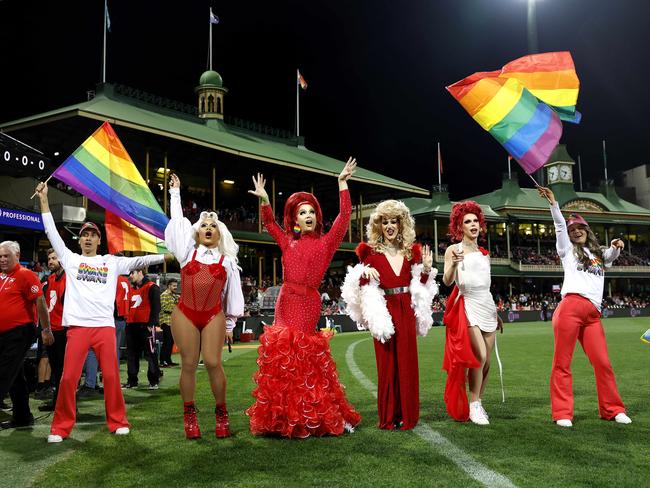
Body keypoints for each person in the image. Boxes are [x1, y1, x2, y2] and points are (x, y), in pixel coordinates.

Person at [35, 182, 168, 443]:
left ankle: (118, 421)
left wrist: (165, 256)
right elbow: (51, 232)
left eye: (92, 235)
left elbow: (140, 261)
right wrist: (43, 200)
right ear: (80, 239)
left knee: (110, 376)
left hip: (105, 328)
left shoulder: (111, 262)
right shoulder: (70, 259)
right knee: (69, 378)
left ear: (98, 240)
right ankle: (60, 428)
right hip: (78, 329)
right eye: (84, 234)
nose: (87, 238)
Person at [245, 158, 362, 438]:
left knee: (306, 357)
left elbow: (344, 218)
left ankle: (313, 416)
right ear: (295, 219)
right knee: (283, 356)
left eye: (311, 212)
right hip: (287, 300)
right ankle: (282, 418)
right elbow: (270, 223)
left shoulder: (326, 243)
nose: (308, 216)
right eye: (302, 212)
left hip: (309, 302)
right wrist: (264, 200)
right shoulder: (287, 240)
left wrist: (342, 184)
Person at [537, 186, 631, 427]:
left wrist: (617, 245)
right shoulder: (566, 250)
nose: (576, 232)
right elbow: (559, 225)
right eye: (572, 230)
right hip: (570, 308)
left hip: (592, 315)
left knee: (603, 363)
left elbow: (610, 255)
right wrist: (554, 204)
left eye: (580, 228)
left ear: (588, 231)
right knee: (562, 363)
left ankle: (613, 409)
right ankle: (562, 413)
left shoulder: (597, 254)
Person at [341, 200, 439, 430]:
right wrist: (364, 272)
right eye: (385, 222)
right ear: (379, 226)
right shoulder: (370, 254)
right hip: (384, 312)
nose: (390, 226)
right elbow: (360, 287)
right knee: (386, 365)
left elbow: (420, 286)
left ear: (402, 224)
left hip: (406, 310)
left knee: (407, 364)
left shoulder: (411, 253)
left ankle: (408, 415)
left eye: (394, 221)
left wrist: (425, 270)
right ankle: (388, 417)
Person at [164, 173, 244, 439]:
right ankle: (190, 416)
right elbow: (176, 223)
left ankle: (221, 414)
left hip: (213, 316)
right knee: (188, 364)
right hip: (185, 314)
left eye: (213, 225)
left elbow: (233, 296)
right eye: (204, 225)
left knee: (212, 361)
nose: (208, 227)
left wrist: (231, 324)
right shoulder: (188, 253)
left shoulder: (228, 262)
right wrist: (175, 193)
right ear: (196, 232)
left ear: (220, 232)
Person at [441, 201, 503, 425]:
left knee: (487, 364)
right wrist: (454, 265)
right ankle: (474, 406)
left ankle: (477, 402)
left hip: (487, 306)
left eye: (475, 220)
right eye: (467, 221)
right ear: (460, 226)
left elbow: (485, 285)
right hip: (467, 305)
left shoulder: (485, 253)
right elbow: (447, 281)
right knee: (479, 357)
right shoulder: (453, 250)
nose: (473, 224)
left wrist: (497, 313)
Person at [0, 241, 53, 429]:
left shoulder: (26, 275)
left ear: (17, 255)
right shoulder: (1, 276)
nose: (3, 259)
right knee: (15, 376)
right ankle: (22, 416)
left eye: (6, 256)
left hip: (20, 331)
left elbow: (40, 302)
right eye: (0, 256)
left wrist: (46, 329)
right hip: (3, 334)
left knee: (5, 371)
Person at [123, 268, 162, 389]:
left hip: (146, 326)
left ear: (140, 272)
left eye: (132, 273)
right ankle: (132, 380)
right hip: (132, 325)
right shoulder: (131, 288)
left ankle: (154, 380)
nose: (130, 276)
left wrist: (151, 324)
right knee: (131, 355)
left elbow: (156, 307)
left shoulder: (152, 287)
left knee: (150, 354)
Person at [39, 248, 67, 412]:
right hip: (51, 329)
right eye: (49, 258)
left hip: (64, 330)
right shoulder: (48, 279)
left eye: (54, 258)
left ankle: (67, 404)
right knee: (56, 369)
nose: (50, 261)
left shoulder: (69, 279)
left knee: (65, 370)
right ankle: (57, 401)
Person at [159, 278, 179, 367]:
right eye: (174, 286)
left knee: (171, 341)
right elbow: (164, 308)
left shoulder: (174, 295)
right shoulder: (165, 295)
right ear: (169, 286)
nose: (175, 287)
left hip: (172, 322)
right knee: (167, 341)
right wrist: (177, 309)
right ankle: (162, 361)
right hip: (166, 321)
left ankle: (168, 360)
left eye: (176, 286)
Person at [115, 273, 130, 360]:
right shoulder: (125, 280)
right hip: (122, 316)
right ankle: (114, 369)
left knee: (109, 346)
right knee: (116, 345)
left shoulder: (113, 278)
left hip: (113, 316)